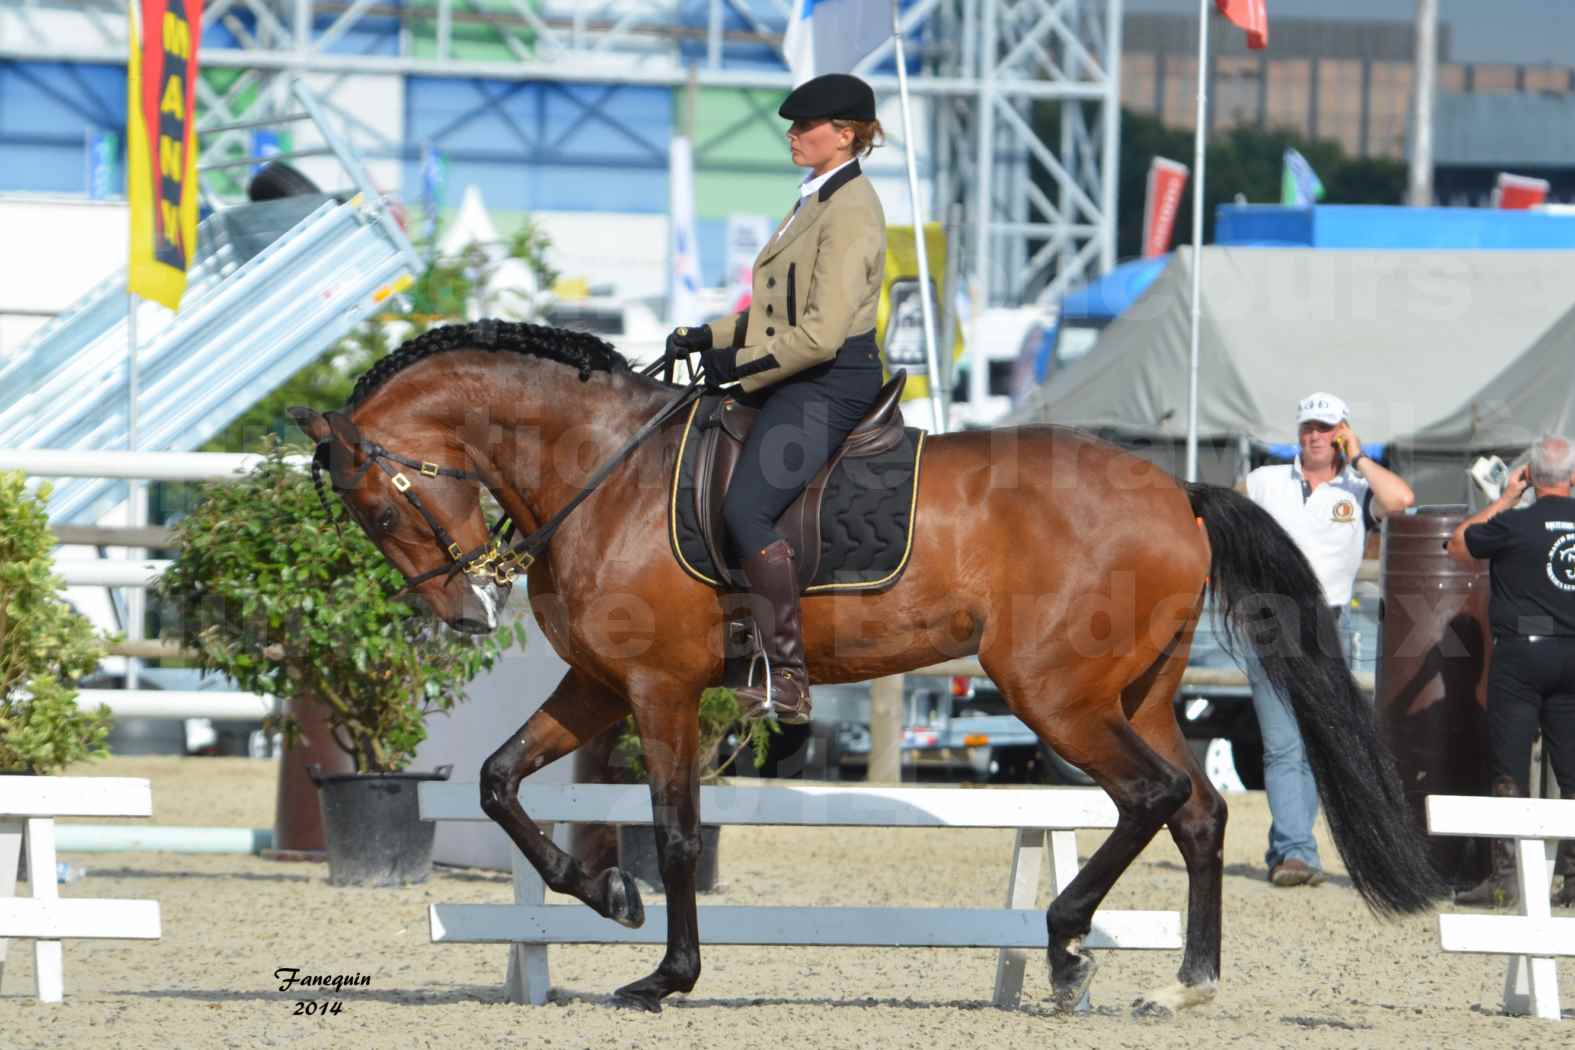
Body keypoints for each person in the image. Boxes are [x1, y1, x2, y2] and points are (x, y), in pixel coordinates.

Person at [664, 73, 887, 725]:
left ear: (843, 135)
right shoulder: (813, 198)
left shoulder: (851, 209)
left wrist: (733, 366)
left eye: (804, 126)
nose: (791, 134)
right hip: (795, 371)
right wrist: (705, 336)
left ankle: (788, 675)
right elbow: (774, 315)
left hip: (828, 379)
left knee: (749, 509)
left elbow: (818, 334)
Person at [1244, 392, 1415, 886]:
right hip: (1269, 618)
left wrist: (1359, 456)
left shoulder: (1359, 489)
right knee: (1282, 743)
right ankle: (1297, 851)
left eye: (1325, 428)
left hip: (1325, 623)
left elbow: (1401, 502)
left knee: (1315, 742)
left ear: (1341, 432)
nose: (1314, 436)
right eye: (1307, 428)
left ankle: (1288, 849)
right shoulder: (1263, 482)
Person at [1447, 434, 1575, 909]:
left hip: (1523, 650)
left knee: (1509, 765)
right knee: (1573, 767)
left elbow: (1457, 545)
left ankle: (1506, 879)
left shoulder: (1514, 523)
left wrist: (1504, 498)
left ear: (1532, 477)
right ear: (1573, 478)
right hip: (1573, 650)